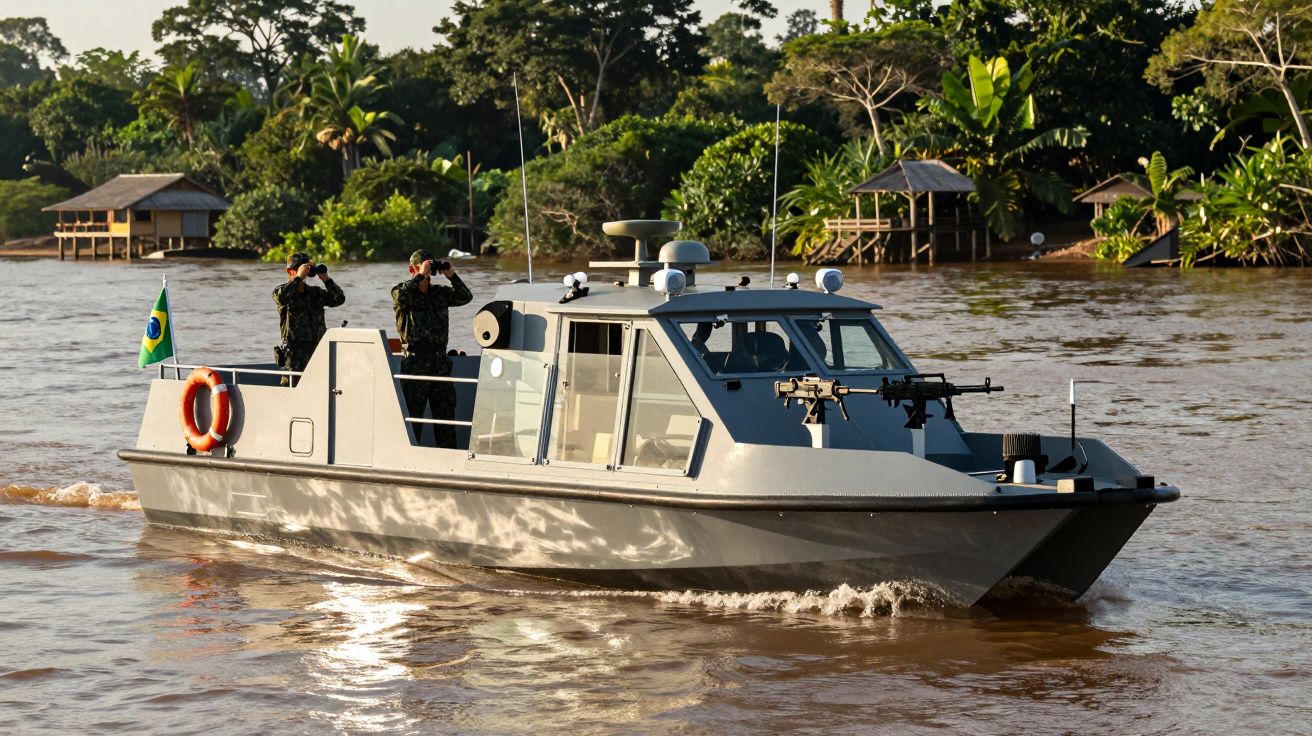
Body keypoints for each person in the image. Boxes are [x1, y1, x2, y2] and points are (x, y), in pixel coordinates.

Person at [392, 249, 473, 447]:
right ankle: (410, 459)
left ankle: (449, 460)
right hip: (415, 363)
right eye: (424, 266)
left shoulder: (439, 293)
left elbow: (465, 297)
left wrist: (451, 275)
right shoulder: (402, 292)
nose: (429, 271)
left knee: (445, 417)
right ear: (412, 269)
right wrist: (421, 274)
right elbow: (399, 296)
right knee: (415, 417)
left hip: (440, 363)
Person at [273, 252, 345, 386]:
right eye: (303, 268)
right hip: (295, 353)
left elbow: (339, 299)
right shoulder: (282, 292)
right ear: (291, 271)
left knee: (319, 387)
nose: (306, 272)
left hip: (318, 349)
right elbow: (281, 298)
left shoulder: (315, 293)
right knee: (292, 387)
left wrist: (325, 279)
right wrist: (298, 277)